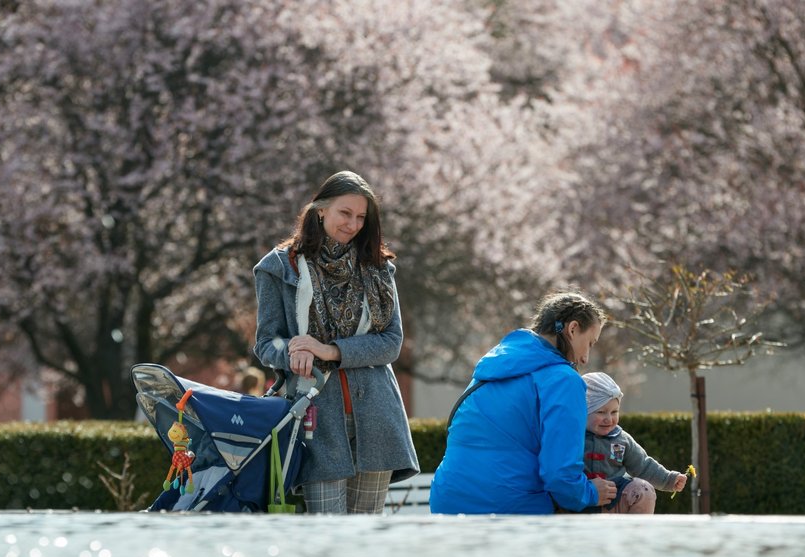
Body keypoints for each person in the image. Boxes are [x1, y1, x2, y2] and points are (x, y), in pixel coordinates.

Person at [253, 170, 419, 514]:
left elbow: (391, 342)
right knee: (325, 535)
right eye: (346, 213)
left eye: (361, 217)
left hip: (377, 415)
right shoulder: (280, 268)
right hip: (315, 416)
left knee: (366, 539)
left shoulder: (378, 268)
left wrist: (329, 351)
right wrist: (295, 352)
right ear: (320, 210)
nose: (353, 224)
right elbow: (268, 342)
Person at [429, 289, 618, 515]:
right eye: (589, 343)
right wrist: (590, 492)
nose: (586, 358)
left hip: (447, 502)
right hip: (511, 510)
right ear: (573, 329)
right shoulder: (563, 380)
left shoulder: (494, 366)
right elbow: (560, 476)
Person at [581, 372, 687, 514]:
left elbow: (643, 465)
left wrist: (668, 479)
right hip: (580, 500)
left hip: (614, 502)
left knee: (643, 490)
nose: (609, 418)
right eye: (601, 412)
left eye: (614, 412)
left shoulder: (621, 440)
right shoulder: (574, 438)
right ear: (583, 411)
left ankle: (636, 533)